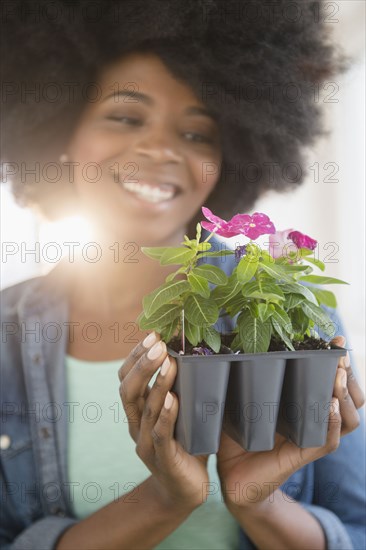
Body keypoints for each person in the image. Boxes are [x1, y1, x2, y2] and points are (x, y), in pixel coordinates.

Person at [1, 1, 365, 549]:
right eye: (125, 117)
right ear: (60, 130)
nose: (162, 150)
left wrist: (258, 502)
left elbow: (358, 532)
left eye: (198, 134)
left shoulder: (290, 316)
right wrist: (163, 499)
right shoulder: (7, 335)